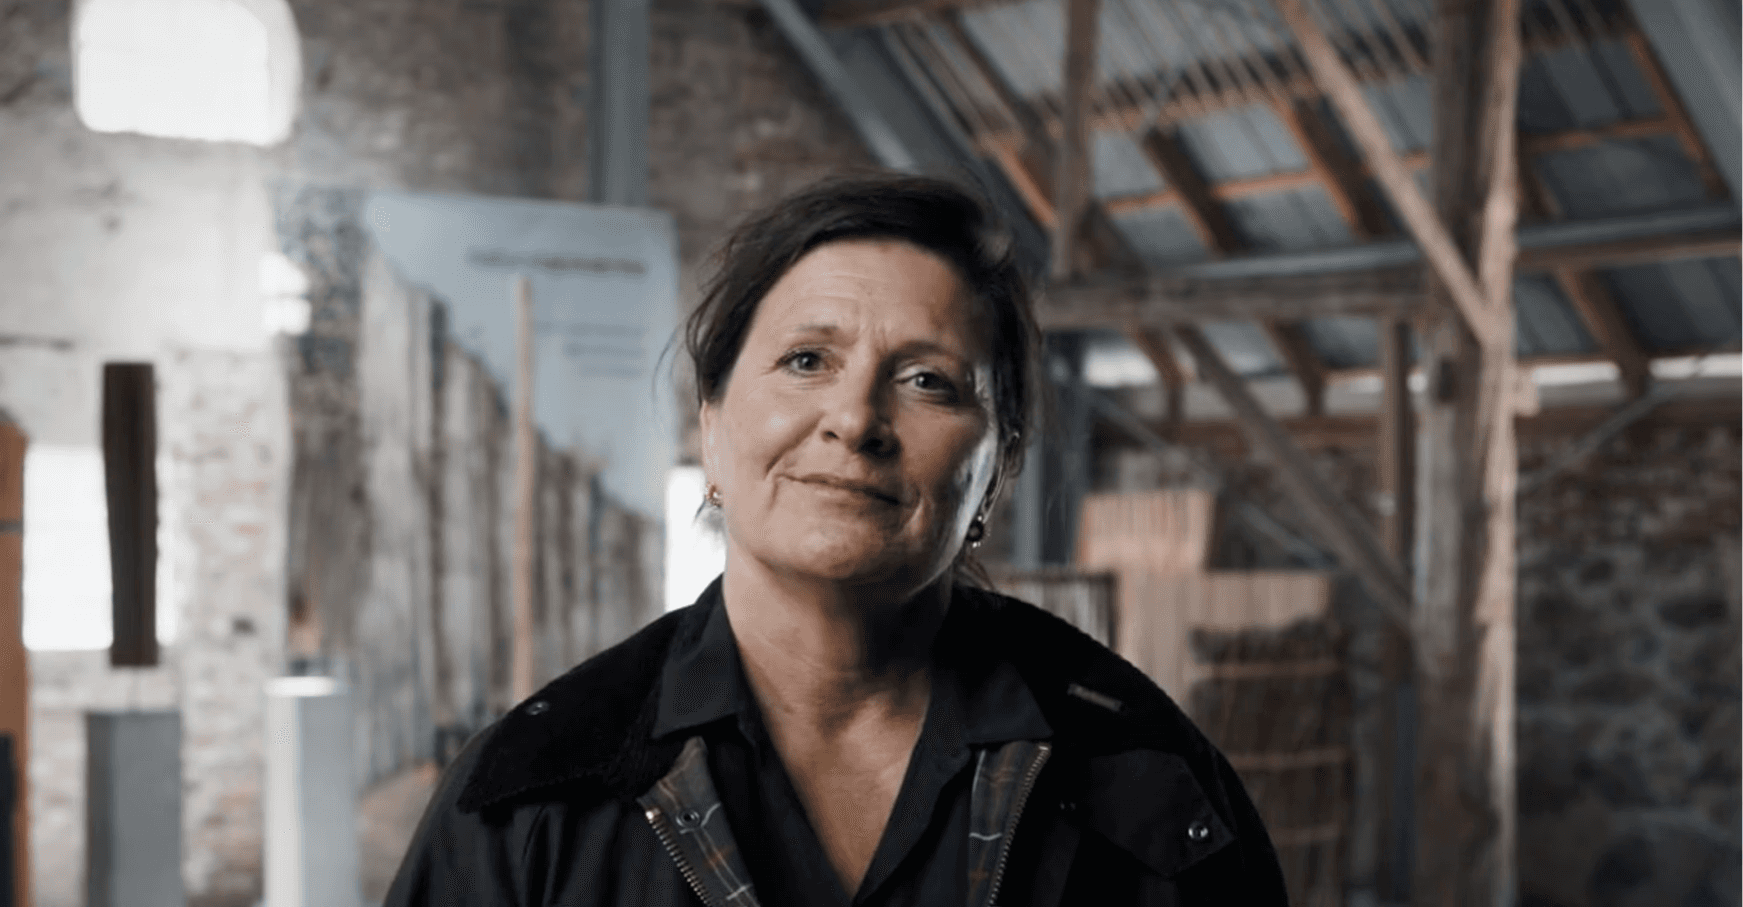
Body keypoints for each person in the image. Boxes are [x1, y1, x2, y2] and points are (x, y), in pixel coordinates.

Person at [384, 174, 1288, 907]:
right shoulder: (533, 796)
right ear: (711, 426)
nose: (854, 420)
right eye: (805, 360)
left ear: (997, 467)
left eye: (928, 380)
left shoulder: (1146, 783)